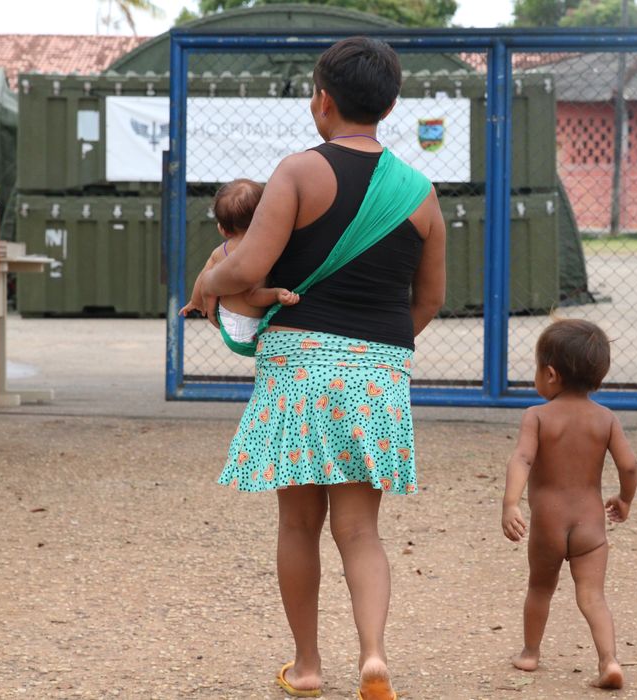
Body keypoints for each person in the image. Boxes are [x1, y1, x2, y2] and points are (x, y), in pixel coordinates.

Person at [191, 37, 447, 700]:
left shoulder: (300, 172)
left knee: (298, 525)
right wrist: (369, 352)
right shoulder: (421, 194)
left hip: (300, 368)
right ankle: (374, 658)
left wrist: (209, 281)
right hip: (379, 371)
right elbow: (429, 301)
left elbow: (248, 267)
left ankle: (307, 667)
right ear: (389, 105)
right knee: (361, 530)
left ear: (322, 101)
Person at [500, 319, 637, 691]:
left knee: (539, 589)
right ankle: (609, 660)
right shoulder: (606, 419)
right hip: (590, 526)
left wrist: (511, 503)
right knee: (593, 595)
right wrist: (625, 498)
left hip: (548, 524)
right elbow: (628, 465)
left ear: (550, 373)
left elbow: (523, 460)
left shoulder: (538, 417)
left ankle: (530, 653)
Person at [179, 179, 300, 344]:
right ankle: (278, 295)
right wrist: (276, 294)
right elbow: (252, 297)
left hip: (229, 326)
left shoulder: (219, 252)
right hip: (251, 332)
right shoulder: (267, 248)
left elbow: (203, 278)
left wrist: (196, 301)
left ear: (223, 229)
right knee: (255, 294)